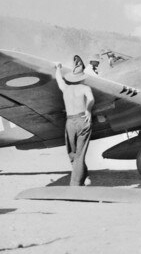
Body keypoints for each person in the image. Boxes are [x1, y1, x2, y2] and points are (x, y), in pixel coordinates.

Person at [55, 56, 95, 186]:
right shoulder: (85, 88)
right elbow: (91, 99)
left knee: (72, 154)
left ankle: (77, 182)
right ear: (82, 77)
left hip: (70, 122)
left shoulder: (65, 88)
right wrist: (88, 110)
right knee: (79, 154)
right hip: (83, 120)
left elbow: (59, 79)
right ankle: (81, 179)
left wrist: (58, 68)